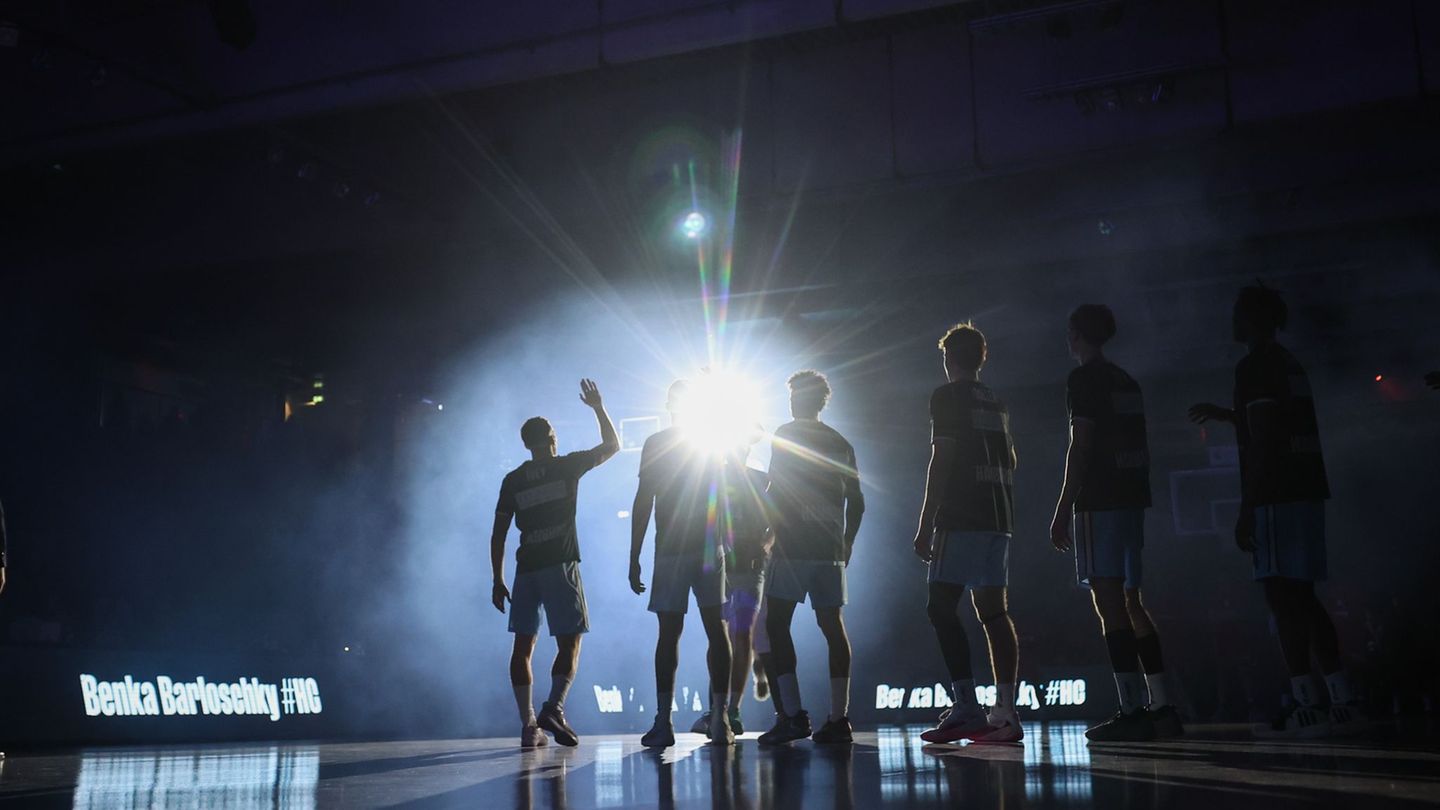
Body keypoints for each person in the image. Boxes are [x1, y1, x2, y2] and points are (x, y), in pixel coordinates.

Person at [1189, 284, 1362, 737]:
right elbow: (1272, 419)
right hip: (1306, 488)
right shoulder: (1289, 363)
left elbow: (1264, 437)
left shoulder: (1254, 365)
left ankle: (1306, 701)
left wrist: (1247, 507)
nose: (1232, 320)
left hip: (1277, 494)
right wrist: (1228, 415)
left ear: (1252, 319)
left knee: (1281, 598)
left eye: (1238, 312)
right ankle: (1342, 697)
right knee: (1302, 595)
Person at [1048, 305, 1182, 742]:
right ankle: (1162, 706)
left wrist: (1063, 505)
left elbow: (1080, 448)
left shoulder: (1083, 380)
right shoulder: (1127, 380)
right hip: (1130, 499)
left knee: (1109, 603)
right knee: (1133, 601)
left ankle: (1130, 709)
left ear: (1076, 335)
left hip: (1100, 501)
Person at [912, 323, 1025, 745]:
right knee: (994, 613)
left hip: (961, 516)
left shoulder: (946, 395)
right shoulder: (996, 401)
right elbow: (1011, 459)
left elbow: (941, 459)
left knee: (940, 607)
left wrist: (925, 523)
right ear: (981, 358)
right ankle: (1006, 712)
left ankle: (966, 707)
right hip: (1000, 517)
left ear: (948, 359)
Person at [492, 379, 620, 748]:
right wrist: (597, 407)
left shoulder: (512, 480)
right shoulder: (567, 467)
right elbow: (612, 446)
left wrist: (497, 578)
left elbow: (498, 533)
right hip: (560, 564)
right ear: (551, 437)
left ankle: (529, 726)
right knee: (570, 643)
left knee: (522, 648)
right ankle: (555, 707)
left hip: (525, 569)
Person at [758, 370, 864, 746]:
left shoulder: (786, 433)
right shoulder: (841, 443)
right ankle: (839, 718)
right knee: (833, 626)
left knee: (776, 625)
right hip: (829, 549)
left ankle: (792, 715)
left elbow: (774, 489)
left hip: (794, 547)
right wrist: (846, 542)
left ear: (799, 400)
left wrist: (768, 532)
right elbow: (859, 502)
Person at [630, 380, 736, 746]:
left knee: (668, 634)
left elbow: (644, 500)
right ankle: (720, 718)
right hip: (708, 547)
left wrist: (634, 555)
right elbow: (723, 497)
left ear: (669, 405)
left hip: (672, 548)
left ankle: (664, 722)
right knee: (716, 629)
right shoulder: (710, 441)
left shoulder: (657, 444)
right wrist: (728, 547)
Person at [691, 431, 774, 737]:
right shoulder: (714, 481)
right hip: (722, 570)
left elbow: (777, 522)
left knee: (740, 637)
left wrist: (763, 546)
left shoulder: (760, 480)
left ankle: (732, 710)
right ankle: (719, 709)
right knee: (721, 638)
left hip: (749, 570)